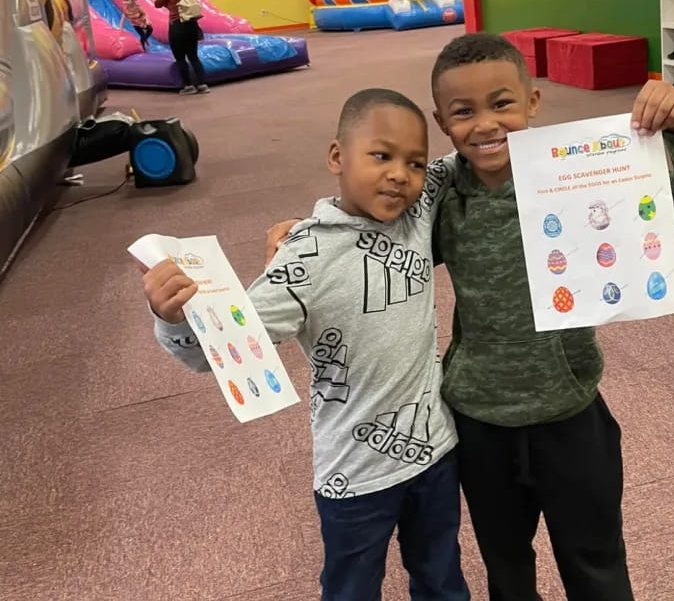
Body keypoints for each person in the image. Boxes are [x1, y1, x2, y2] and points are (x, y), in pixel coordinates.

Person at [266, 33, 674, 601]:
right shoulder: (437, 198)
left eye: (502, 104)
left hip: (571, 411)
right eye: (464, 112)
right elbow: (374, 216)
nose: (485, 124)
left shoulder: (579, 175)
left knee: (596, 561)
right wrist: (308, 238)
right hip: (478, 422)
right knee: (505, 567)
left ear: (533, 101)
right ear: (443, 121)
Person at [142, 88, 469, 601]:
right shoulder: (303, 262)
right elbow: (218, 348)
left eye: (414, 162)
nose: (400, 174)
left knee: (443, 580)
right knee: (350, 590)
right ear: (337, 156)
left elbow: (471, 155)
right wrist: (172, 317)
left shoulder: (418, 207)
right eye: (380, 156)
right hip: (355, 475)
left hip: (436, 451)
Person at [154, 0, 208, 95]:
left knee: (180, 57)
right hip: (191, 24)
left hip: (177, 25)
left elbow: (157, 4)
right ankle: (202, 84)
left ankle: (188, 86)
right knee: (193, 56)